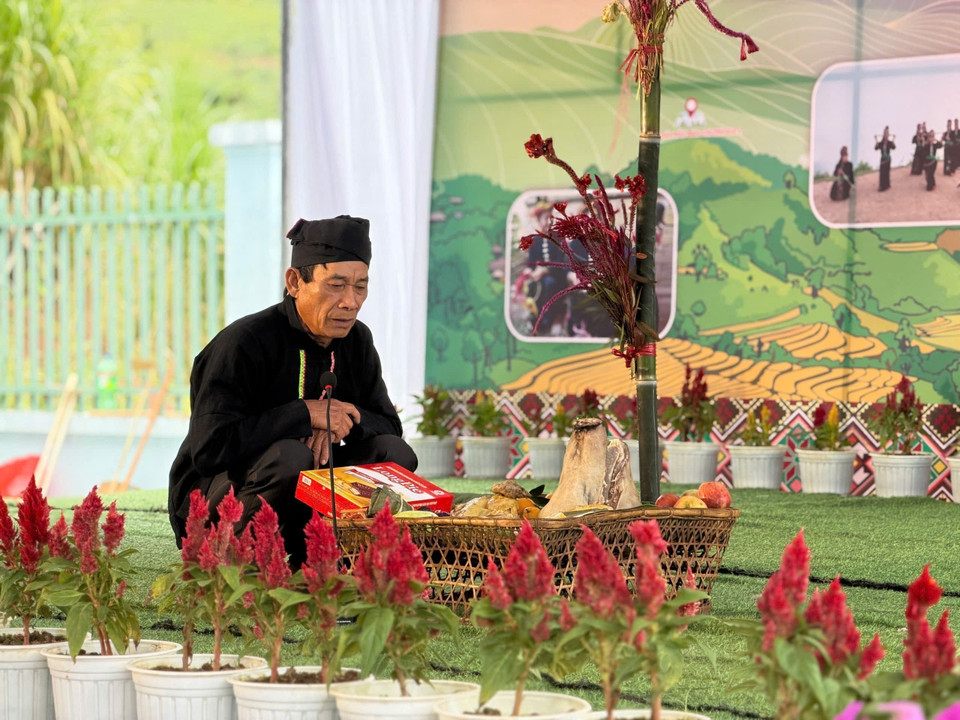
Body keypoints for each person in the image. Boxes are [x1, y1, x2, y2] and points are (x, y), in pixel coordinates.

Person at [168, 215, 417, 566]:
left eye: (360, 286)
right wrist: (304, 414)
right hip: (217, 500)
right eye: (336, 285)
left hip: (304, 493)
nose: (350, 301)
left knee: (394, 454)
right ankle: (236, 560)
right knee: (291, 456)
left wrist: (341, 419)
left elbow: (389, 426)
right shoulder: (244, 342)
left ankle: (333, 560)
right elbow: (210, 450)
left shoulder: (357, 340)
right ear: (295, 282)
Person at [875, 127, 895, 191]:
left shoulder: (889, 142)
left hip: (888, 158)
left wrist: (893, 139)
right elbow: (876, 148)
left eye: (887, 134)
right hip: (883, 158)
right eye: (885, 134)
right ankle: (882, 186)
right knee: (882, 172)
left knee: (886, 172)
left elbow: (893, 147)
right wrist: (876, 140)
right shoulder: (881, 143)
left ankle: (887, 185)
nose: (886, 135)